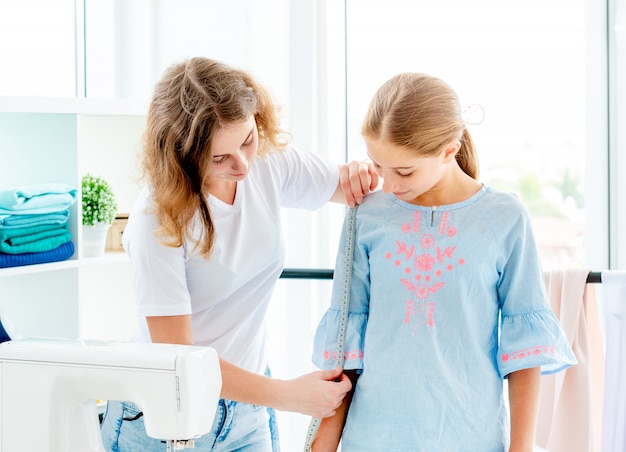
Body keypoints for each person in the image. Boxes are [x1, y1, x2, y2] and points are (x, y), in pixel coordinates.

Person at [99, 57, 378, 452]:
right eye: (219, 158)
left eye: (247, 140)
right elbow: (180, 358)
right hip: (162, 415)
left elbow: (354, 187)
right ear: (181, 154)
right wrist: (288, 396)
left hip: (247, 411)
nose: (243, 164)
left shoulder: (268, 162)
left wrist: (371, 172)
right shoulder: (156, 220)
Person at [310, 73, 577, 452]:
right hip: (371, 438)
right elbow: (344, 351)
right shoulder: (364, 216)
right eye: (379, 166)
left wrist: (521, 448)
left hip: (473, 438)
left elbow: (524, 351)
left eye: (404, 171)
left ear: (449, 150)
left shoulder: (505, 218)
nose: (388, 184)